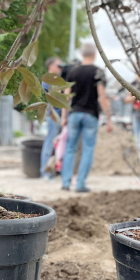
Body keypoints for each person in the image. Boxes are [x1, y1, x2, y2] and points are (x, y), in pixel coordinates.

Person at [60, 42, 114, 193]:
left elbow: (66, 96)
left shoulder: (72, 71)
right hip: (91, 115)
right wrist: (109, 119)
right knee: (88, 149)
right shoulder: (98, 72)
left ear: (82, 54)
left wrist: (63, 117)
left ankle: (65, 183)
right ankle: (80, 184)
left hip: (74, 114)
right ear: (94, 54)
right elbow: (102, 97)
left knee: (70, 148)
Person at [39, 57, 64, 180]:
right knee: (50, 142)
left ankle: (58, 171)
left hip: (63, 114)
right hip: (53, 114)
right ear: (51, 67)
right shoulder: (47, 79)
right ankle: (45, 172)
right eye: (58, 65)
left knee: (62, 144)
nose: (61, 67)